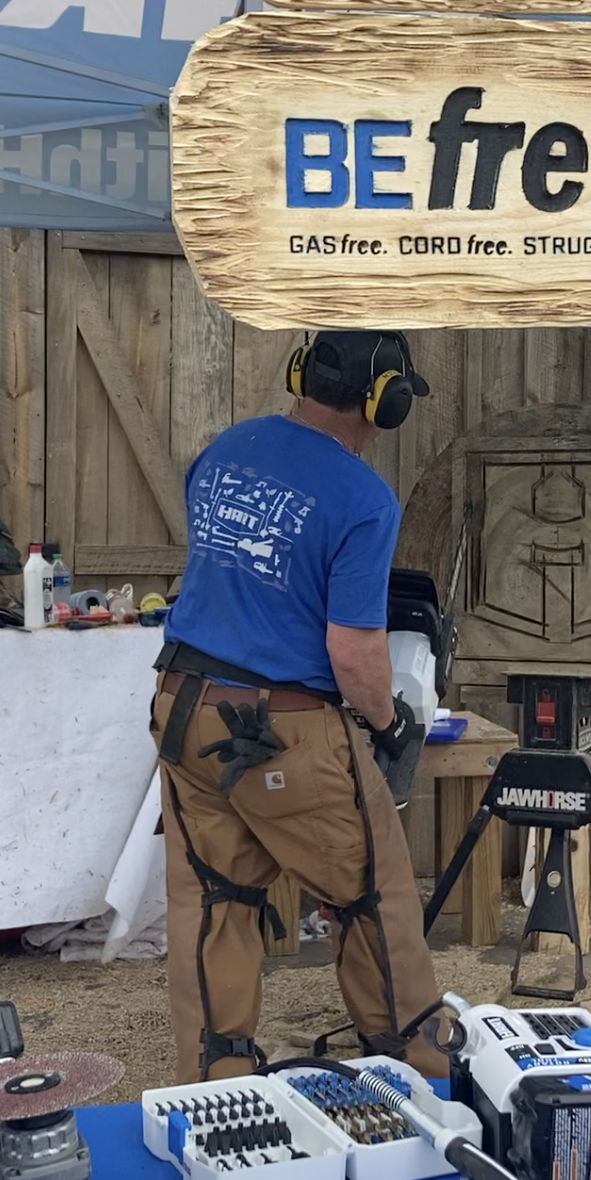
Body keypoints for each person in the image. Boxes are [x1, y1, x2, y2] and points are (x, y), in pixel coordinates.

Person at [150, 329, 449, 1083]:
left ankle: (214, 1079)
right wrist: (388, 722)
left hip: (183, 709)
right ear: (387, 403)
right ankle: (419, 1065)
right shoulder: (363, 498)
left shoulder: (226, 449)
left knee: (215, 897)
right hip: (279, 725)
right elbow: (353, 656)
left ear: (302, 375)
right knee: (372, 895)